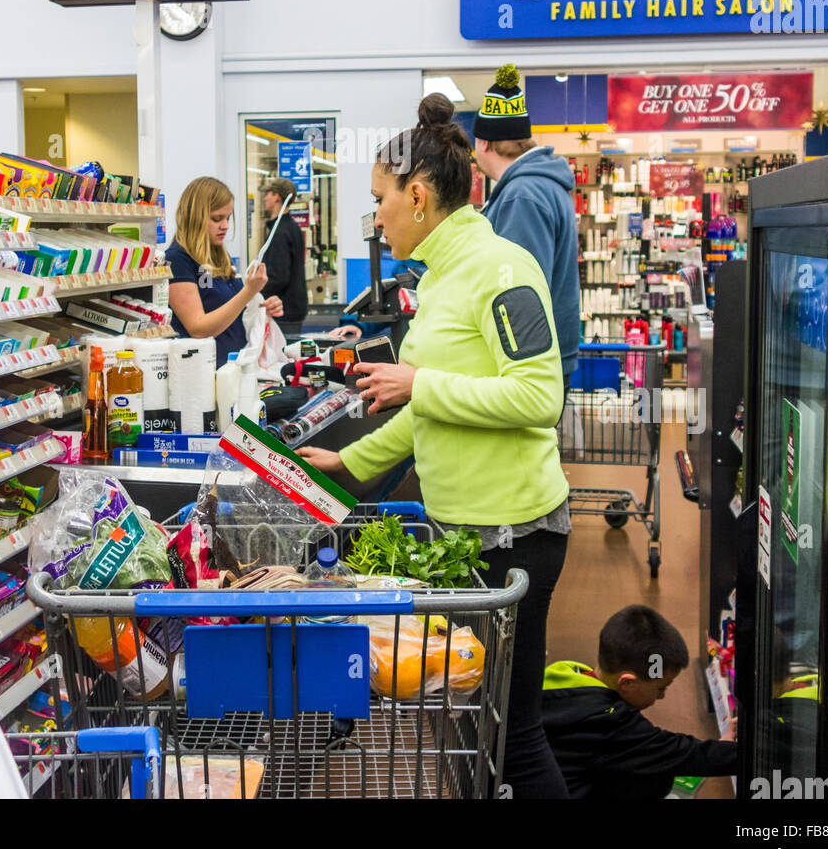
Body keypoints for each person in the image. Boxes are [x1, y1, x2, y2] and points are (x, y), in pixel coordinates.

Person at [298, 93, 570, 799]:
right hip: (464, 532)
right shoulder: (443, 274)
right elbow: (430, 408)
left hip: (511, 535)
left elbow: (539, 398)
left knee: (509, 732)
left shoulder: (500, 269)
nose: (375, 216)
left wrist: (421, 379)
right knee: (470, 725)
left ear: (417, 195)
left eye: (379, 199)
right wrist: (351, 463)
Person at [541, 604, 737, 799]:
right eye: (661, 688)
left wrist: (721, 744)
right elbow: (678, 753)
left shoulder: (563, 674)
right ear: (627, 684)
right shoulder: (610, 722)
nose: (662, 696)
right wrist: (748, 753)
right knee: (657, 775)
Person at [472, 64, 580, 396]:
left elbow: (518, 293)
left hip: (528, 368)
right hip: (543, 361)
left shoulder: (522, 196)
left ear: (485, 143)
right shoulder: (537, 187)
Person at [166, 176, 283, 362]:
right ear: (195, 217)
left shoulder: (220, 257)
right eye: (217, 218)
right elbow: (197, 328)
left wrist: (260, 307)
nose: (225, 226)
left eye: (228, 218)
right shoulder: (177, 260)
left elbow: (232, 309)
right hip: (203, 371)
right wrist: (248, 292)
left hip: (235, 366)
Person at [259, 176, 308, 339]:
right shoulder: (293, 227)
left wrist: (253, 293)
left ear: (277, 197)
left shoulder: (279, 232)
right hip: (293, 307)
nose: (265, 197)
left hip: (283, 310)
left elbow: (279, 276)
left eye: (268, 193)